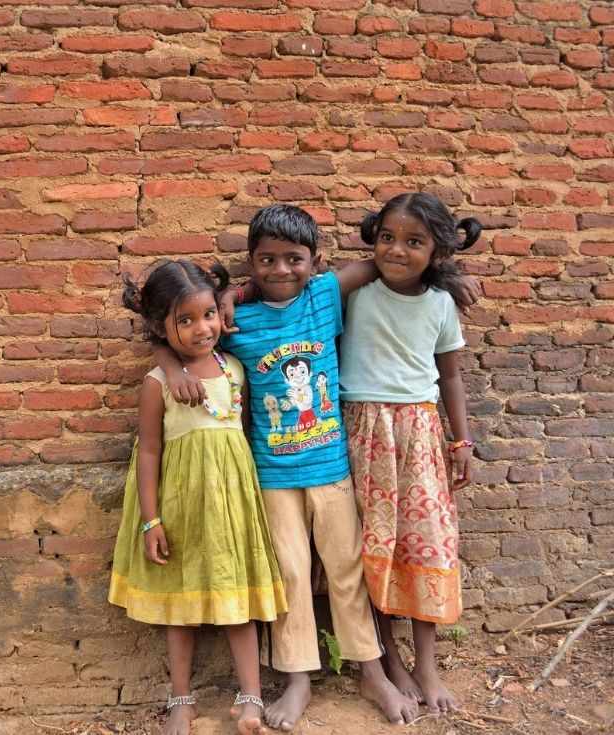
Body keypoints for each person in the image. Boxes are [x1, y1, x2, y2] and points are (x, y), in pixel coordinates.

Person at [159, 205, 479, 730]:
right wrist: (219, 307)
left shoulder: (327, 295)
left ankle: (370, 669)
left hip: (331, 466)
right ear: (249, 263)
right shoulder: (237, 322)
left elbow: (389, 260)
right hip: (272, 475)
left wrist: (452, 274)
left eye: (294, 260)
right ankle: (299, 677)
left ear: (316, 262)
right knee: (289, 575)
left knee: (347, 570)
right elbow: (174, 338)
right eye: (266, 260)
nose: (281, 270)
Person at [109, 259, 289, 735]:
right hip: (182, 506)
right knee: (179, 605)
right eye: (183, 321)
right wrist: (152, 520)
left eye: (207, 314)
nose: (200, 328)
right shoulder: (157, 384)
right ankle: (181, 701)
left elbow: (243, 436)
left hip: (232, 505)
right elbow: (148, 453)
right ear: (159, 327)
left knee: (238, 599)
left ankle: (250, 697)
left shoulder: (234, 370)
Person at [339, 193, 479, 715]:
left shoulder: (441, 304)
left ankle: (426, 664)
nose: (396, 250)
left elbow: (451, 376)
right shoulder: (357, 290)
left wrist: (460, 441)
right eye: (387, 238)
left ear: (437, 250)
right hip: (362, 433)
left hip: (418, 434)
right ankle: (389, 661)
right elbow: (310, 289)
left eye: (414, 242)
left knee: (423, 548)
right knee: (372, 547)